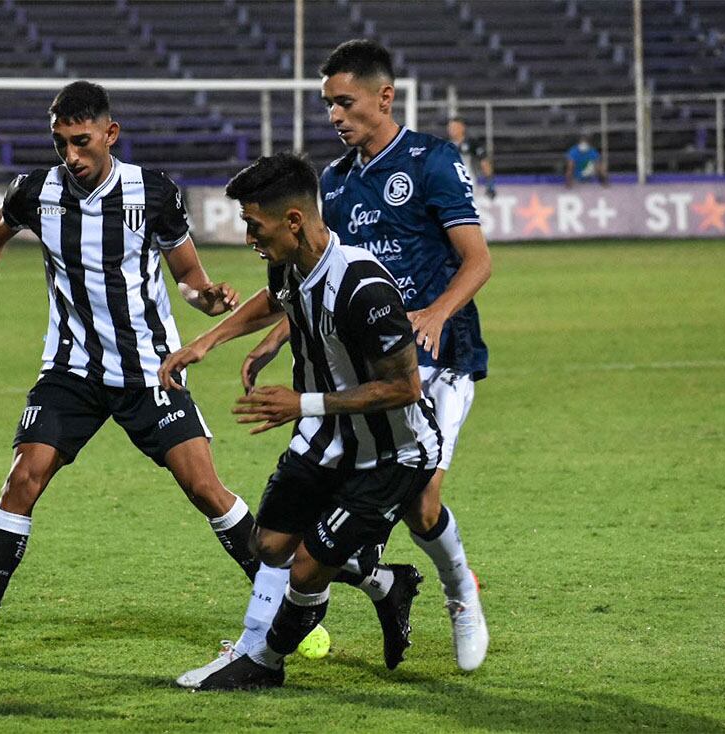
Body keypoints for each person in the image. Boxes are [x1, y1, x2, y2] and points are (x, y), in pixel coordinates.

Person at [0, 80, 264, 670]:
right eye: (61, 143)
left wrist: (208, 297)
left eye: (81, 142)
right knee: (22, 479)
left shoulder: (153, 192)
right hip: (71, 369)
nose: (71, 156)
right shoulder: (36, 190)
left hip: (147, 369)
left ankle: (280, 609)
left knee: (206, 489)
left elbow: (186, 273)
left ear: (110, 133)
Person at [236, 39, 492, 672]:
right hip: (364, 365)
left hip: (437, 357)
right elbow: (321, 280)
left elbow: (478, 259)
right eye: (328, 105)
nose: (334, 116)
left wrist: (434, 312)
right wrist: (278, 335)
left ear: (385, 96)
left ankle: (462, 594)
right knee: (330, 517)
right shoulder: (334, 182)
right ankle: (383, 584)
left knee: (421, 504)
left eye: (344, 102)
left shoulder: (431, 161)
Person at [163, 152, 442, 690]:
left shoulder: (365, 288)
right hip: (325, 437)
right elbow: (276, 300)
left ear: (293, 221)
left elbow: (404, 388)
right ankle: (387, 582)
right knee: (268, 546)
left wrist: (302, 403)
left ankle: (263, 661)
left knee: (307, 567)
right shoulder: (288, 262)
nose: (248, 237)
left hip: (391, 453)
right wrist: (207, 343)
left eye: (253, 224)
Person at [446, 116, 495, 199]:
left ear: (462, 128)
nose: (451, 130)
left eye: (454, 127)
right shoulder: (445, 145)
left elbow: (484, 162)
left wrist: (489, 182)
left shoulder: (472, 143)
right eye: (450, 128)